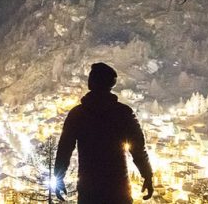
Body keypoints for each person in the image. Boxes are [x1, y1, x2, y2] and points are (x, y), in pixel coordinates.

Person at [54, 62, 154, 203]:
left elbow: (64, 148)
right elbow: (138, 148)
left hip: (89, 188)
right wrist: (147, 175)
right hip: (118, 186)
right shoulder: (123, 113)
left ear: (92, 82)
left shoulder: (77, 114)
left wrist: (58, 176)